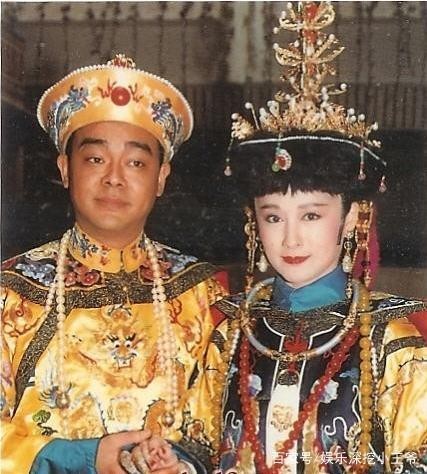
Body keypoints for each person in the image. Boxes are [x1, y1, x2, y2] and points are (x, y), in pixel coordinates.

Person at [207, 3, 427, 473]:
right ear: (253, 222)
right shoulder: (230, 332)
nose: (290, 239)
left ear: (350, 219)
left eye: (311, 215)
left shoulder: (390, 340)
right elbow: (197, 444)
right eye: (273, 217)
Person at [1, 54, 227, 474]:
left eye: (136, 162)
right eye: (95, 159)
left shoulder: (202, 293)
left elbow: (222, 428)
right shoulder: (11, 293)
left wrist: (180, 464)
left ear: (161, 177)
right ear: (65, 169)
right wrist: (82, 458)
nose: (114, 178)